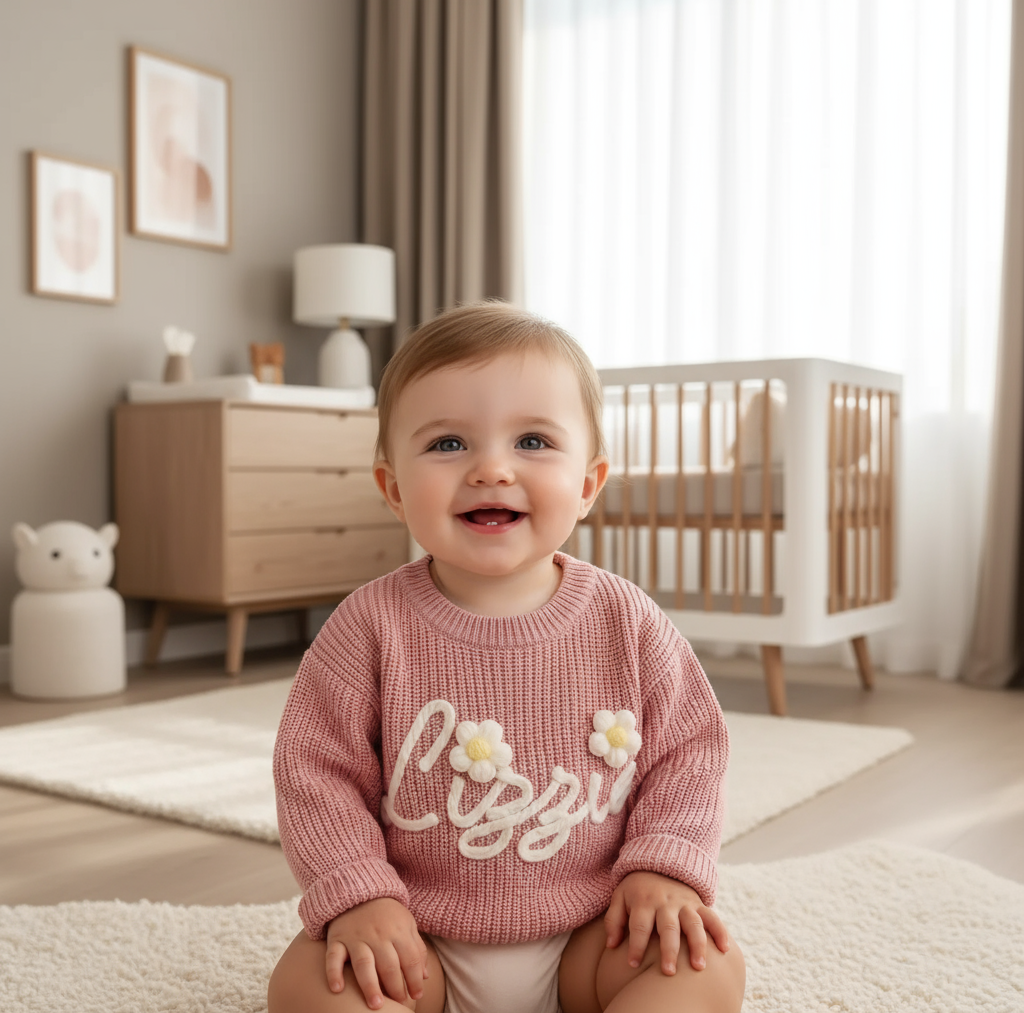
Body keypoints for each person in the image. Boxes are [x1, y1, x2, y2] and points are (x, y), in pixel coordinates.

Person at [268, 301, 745, 1013]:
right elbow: (315, 772)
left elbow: (690, 752)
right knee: (309, 984)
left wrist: (665, 868)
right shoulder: (368, 627)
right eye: (449, 445)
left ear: (588, 483)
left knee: (707, 963)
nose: (492, 469)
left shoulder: (628, 622)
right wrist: (359, 896)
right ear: (394, 489)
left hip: (593, 931)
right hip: (414, 939)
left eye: (532, 441)